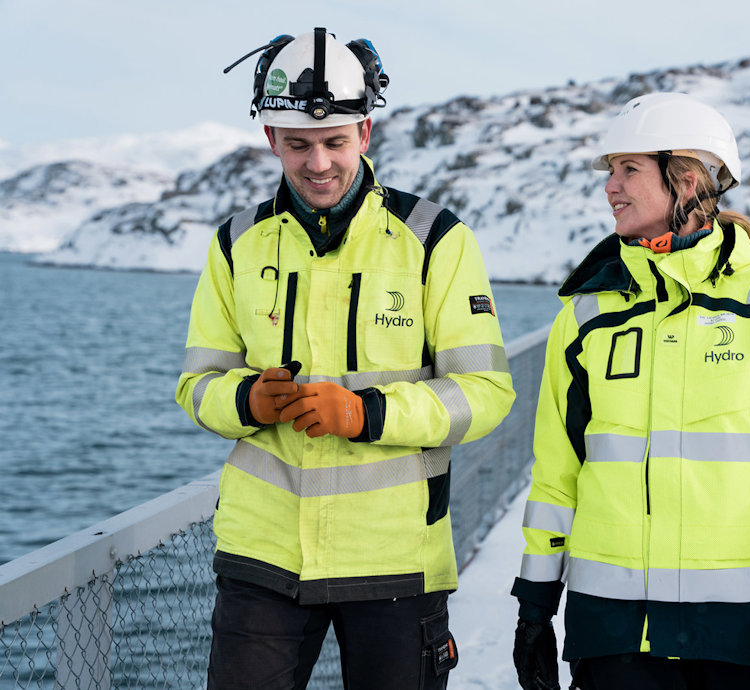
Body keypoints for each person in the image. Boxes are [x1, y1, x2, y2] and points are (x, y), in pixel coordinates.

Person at [175, 27, 515, 689]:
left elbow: (486, 392)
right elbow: (197, 385)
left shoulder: (436, 240)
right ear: (272, 139)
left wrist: (367, 414)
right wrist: (247, 400)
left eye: (334, 142)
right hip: (262, 557)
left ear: (365, 133)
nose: (318, 163)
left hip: (394, 557)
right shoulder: (235, 245)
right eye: (298, 145)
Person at [510, 92, 750, 690]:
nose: (610, 187)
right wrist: (534, 607)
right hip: (611, 627)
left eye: (629, 169)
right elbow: (557, 472)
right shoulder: (587, 312)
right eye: (610, 171)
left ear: (687, 180)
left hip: (740, 632)